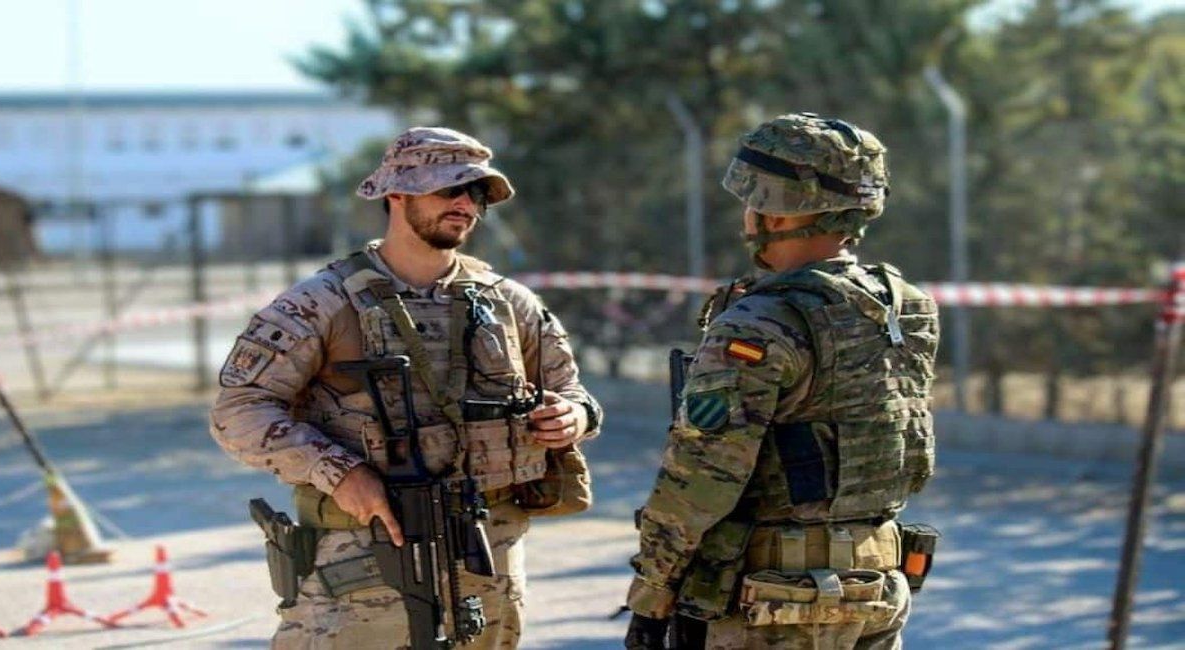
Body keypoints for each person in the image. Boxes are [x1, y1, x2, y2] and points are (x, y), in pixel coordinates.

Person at [211, 126, 602, 649]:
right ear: (396, 193)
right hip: (366, 552)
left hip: (486, 556)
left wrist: (573, 418)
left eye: (477, 193)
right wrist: (340, 472)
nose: (466, 204)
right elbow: (238, 411)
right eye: (450, 189)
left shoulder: (511, 303)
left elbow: (573, 395)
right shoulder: (323, 303)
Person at [624, 113, 940, 649]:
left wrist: (652, 591)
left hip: (778, 602)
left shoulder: (757, 323)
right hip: (878, 585)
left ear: (773, 210)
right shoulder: (907, 307)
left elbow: (702, 476)